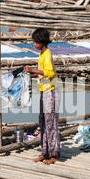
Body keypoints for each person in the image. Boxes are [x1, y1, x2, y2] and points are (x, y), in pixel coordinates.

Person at [24, 28, 60, 165]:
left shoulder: (48, 54)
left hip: (50, 92)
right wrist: (29, 74)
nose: (34, 44)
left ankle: (54, 154)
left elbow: (49, 72)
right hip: (43, 91)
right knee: (43, 123)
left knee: (51, 124)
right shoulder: (42, 54)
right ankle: (45, 152)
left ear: (41, 41)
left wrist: (33, 69)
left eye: (35, 42)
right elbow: (42, 73)